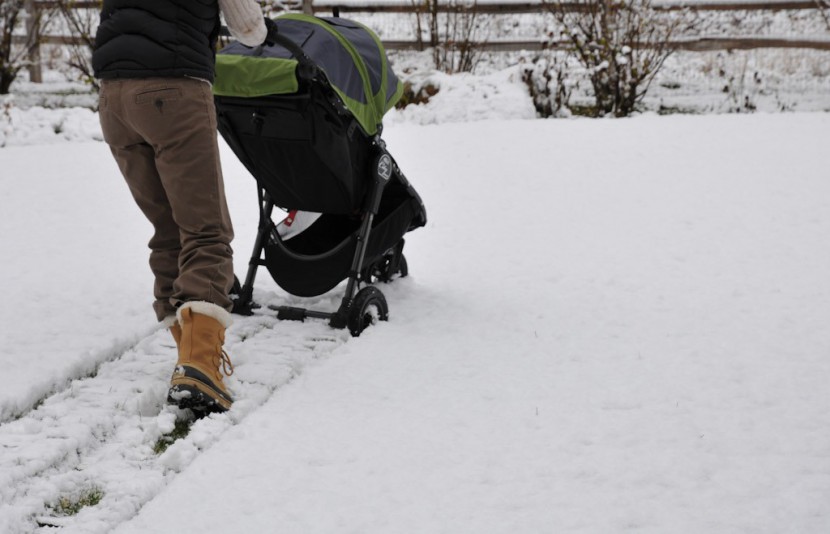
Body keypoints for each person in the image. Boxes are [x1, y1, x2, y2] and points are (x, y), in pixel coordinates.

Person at [92, 1, 267, 413]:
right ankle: (200, 363)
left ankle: (188, 352)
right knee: (206, 231)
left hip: (113, 98)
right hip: (172, 91)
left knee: (169, 229)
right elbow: (248, 28)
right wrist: (263, 31)